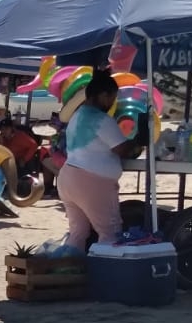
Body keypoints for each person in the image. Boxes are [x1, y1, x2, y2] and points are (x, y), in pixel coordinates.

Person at [58, 71, 135, 251]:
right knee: (110, 233)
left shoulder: (77, 116)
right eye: (112, 98)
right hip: (92, 182)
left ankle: (68, 270)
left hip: (68, 177)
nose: (111, 103)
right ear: (103, 95)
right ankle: (105, 276)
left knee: (78, 233)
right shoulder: (101, 120)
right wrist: (138, 140)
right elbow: (122, 149)